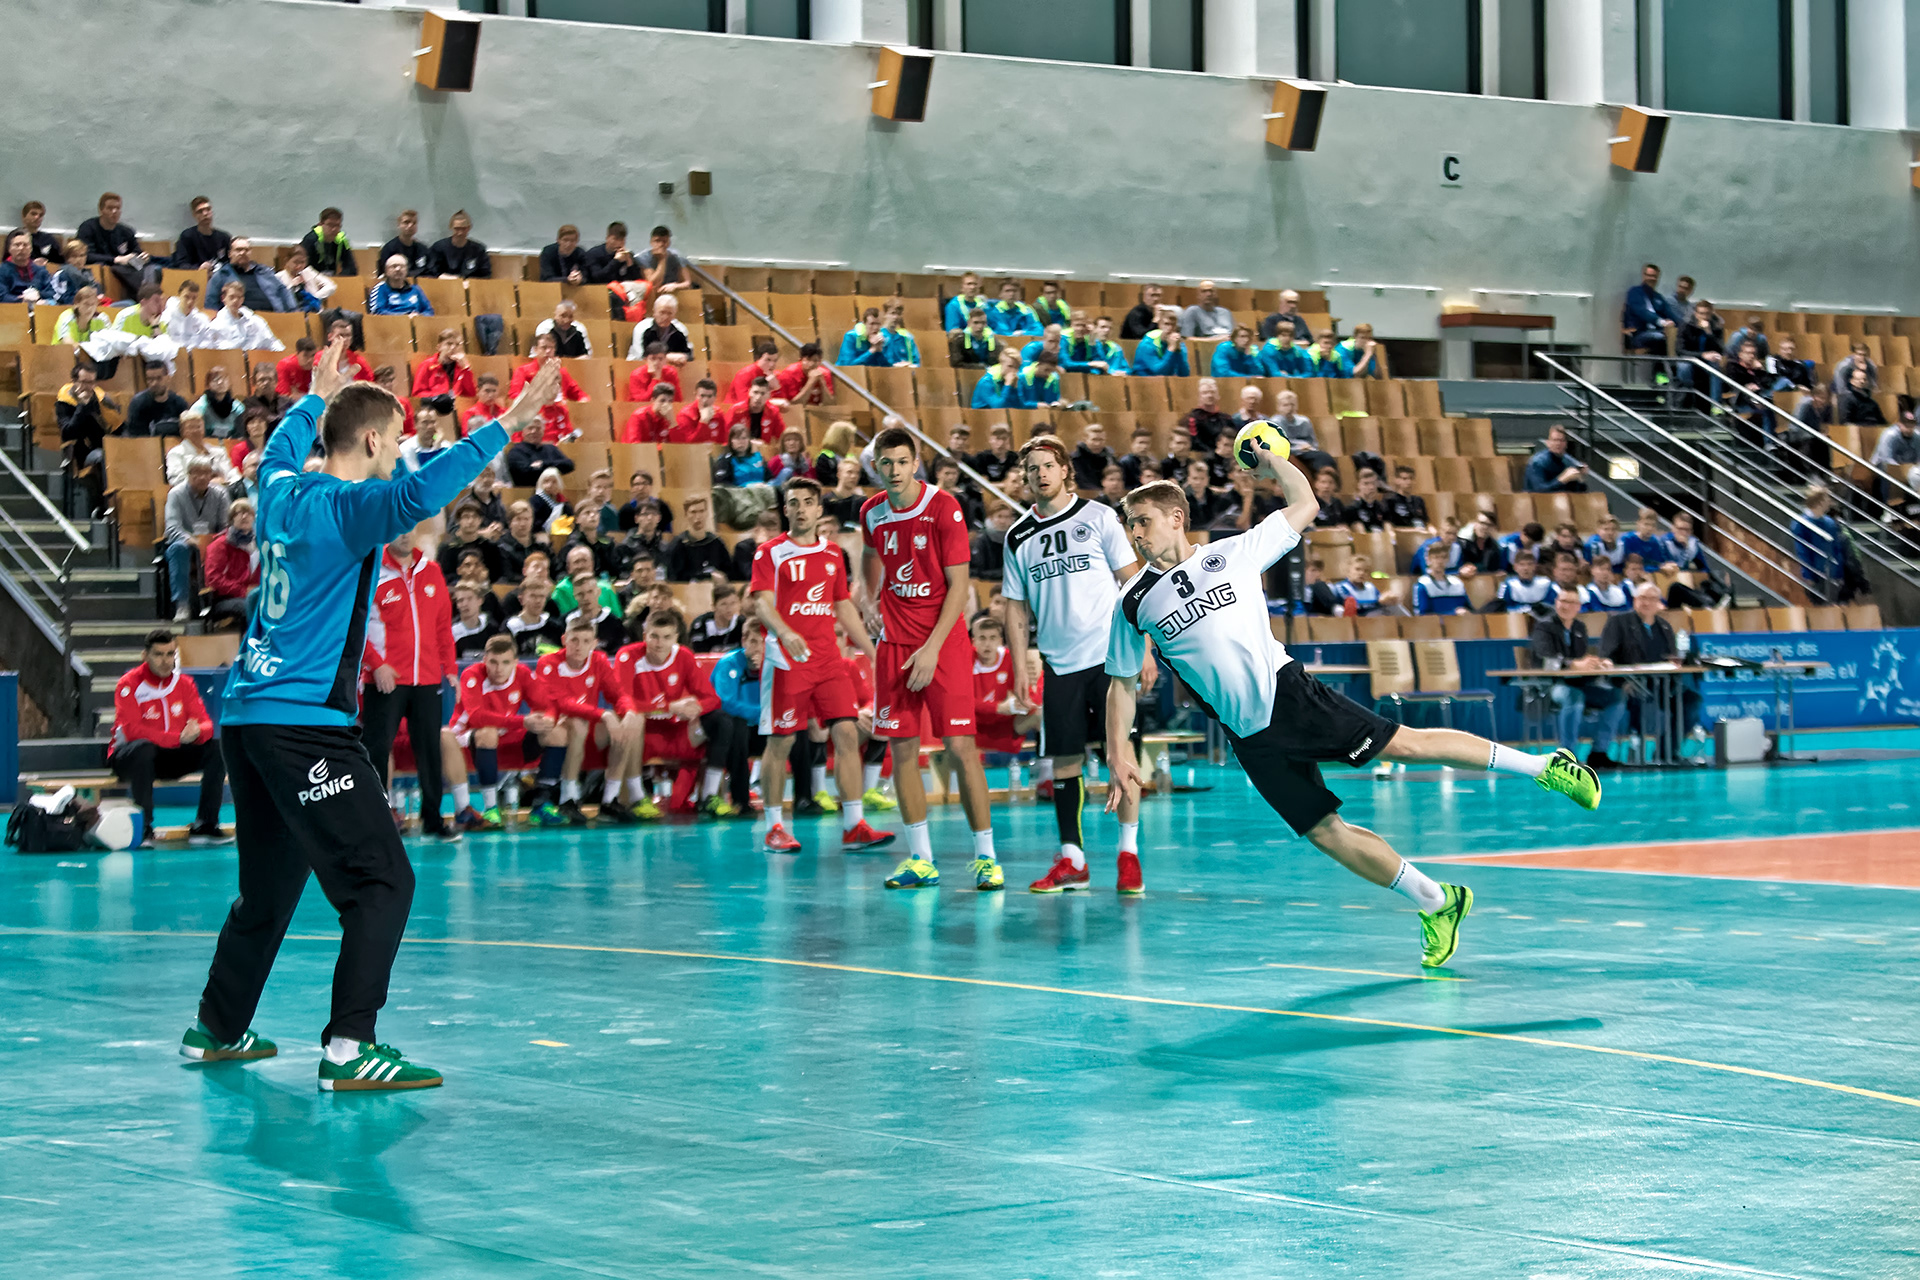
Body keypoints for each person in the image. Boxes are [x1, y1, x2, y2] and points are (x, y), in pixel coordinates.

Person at [182, 336, 558, 1087]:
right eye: (398, 439)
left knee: (270, 887)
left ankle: (216, 1029)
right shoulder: (351, 507)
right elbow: (422, 494)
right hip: (304, 727)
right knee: (384, 881)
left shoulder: (279, 489)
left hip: (247, 716)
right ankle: (350, 1047)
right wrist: (510, 421)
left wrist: (315, 396)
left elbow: (280, 447)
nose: (402, 453)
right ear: (375, 442)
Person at [1103, 455, 1601, 969]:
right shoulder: (1131, 602)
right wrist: (1118, 753)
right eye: (1130, 525)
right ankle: (1438, 901)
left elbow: (1305, 503)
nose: (1135, 534)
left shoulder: (1234, 553)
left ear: (1176, 518)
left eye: (1143, 521)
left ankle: (1547, 767)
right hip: (1247, 736)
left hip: (1290, 697)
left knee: (1407, 746)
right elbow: (1120, 683)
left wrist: (1272, 462)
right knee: (1325, 832)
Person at [858, 425, 1005, 890]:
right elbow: (869, 554)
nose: (895, 470)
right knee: (902, 750)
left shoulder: (943, 507)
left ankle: (987, 858)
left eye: (903, 462)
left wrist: (931, 649)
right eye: (887, 463)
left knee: (961, 749)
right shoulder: (871, 511)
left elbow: (960, 588)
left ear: (916, 463)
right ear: (876, 466)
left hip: (943, 645)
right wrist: (867, 595)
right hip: (894, 646)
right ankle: (921, 859)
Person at [999, 438, 1147, 892]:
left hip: (1110, 658)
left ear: (1065, 470)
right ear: (1025, 478)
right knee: (1064, 762)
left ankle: (1128, 855)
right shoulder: (1018, 536)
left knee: (1121, 755)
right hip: (1059, 665)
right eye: (1032, 468)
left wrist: (1146, 648)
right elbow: (1015, 607)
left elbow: (1133, 584)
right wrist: (1019, 667)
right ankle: (1073, 860)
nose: (1041, 474)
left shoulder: (1099, 517)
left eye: (1048, 465)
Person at [751, 478, 893, 850]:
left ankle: (854, 825)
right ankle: (774, 827)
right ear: (785, 510)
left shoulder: (832, 554)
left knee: (846, 732)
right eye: (793, 502)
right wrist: (784, 632)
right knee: (781, 741)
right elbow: (761, 603)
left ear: (819, 509)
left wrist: (873, 653)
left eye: (807, 502)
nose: (800, 508)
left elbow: (842, 606)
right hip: (787, 660)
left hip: (829, 661)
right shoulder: (769, 553)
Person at [359, 528, 459, 838]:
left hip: (427, 678)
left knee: (429, 751)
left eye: (410, 529)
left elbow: (443, 625)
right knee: (377, 749)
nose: (405, 535)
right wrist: (376, 665)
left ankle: (433, 819)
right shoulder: (371, 572)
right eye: (399, 530)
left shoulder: (431, 570)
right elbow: (356, 626)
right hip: (386, 678)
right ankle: (376, 820)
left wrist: (449, 668)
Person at [107, 629, 231, 848]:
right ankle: (144, 829)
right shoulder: (128, 684)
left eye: (170, 654)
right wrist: (177, 738)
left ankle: (206, 825)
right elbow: (133, 731)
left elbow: (206, 724)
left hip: (169, 756)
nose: (165, 661)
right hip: (129, 757)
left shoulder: (184, 684)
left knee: (217, 748)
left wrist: (197, 732)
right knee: (144, 748)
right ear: (145, 656)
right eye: (158, 654)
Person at [526, 616, 640, 825]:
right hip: (556, 732)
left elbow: (618, 694)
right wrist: (603, 714)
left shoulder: (599, 660)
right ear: (564, 640)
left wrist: (629, 711)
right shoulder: (548, 663)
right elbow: (561, 703)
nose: (579, 646)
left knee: (629, 723)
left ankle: (610, 800)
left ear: (594, 643)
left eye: (586, 641)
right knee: (578, 722)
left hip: (588, 732)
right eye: (574, 640)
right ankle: (568, 799)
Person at [445, 635, 564, 828]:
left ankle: (542, 803)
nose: (499, 669)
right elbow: (477, 717)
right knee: (488, 733)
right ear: (485, 660)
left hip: (506, 733)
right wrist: (523, 721)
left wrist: (548, 719)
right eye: (493, 662)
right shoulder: (472, 674)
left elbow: (546, 705)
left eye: (505, 662)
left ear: (515, 662)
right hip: (465, 736)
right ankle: (491, 808)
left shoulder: (522, 673)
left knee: (557, 733)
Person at [1531, 588, 1624, 766]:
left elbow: (1581, 659)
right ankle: (1567, 755)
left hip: (1579, 683)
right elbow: (1545, 659)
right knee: (1574, 696)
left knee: (1616, 697)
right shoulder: (1544, 627)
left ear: (1578, 607)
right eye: (1562, 601)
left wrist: (1596, 663)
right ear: (1556, 603)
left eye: (1571, 602)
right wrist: (1572, 664)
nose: (1565, 606)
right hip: (1551, 685)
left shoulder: (1579, 627)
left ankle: (1599, 752)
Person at [57, 362, 115, 515]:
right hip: (83, 454)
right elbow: (67, 433)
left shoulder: (99, 399)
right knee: (104, 457)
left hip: (108, 446)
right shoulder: (64, 403)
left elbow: (115, 426)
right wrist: (82, 407)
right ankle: (106, 506)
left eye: (91, 382)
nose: (88, 387)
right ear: (74, 382)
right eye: (84, 382)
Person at [77, 192, 157, 297]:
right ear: (101, 210)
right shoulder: (88, 228)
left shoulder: (126, 231)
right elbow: (86, 255)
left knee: (153, 268)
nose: (114, 211)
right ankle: (146, 295)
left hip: (125, 269)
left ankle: (146, 295)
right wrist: (116, 259)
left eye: (117, 208)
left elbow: (136, 251)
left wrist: (142, 257)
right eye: (110, 208)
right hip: (102, 268)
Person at [510, 331, 589, 436]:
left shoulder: (561, 373)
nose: (548, 351)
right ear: (535, 350)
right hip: (534, 418)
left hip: (560, 416)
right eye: (544, 347)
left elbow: (577, 393)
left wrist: (584, 402)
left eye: (551, 348)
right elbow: (515, 395)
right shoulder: (523, 371)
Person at [1621, 262, 1679, 361]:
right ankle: (1664, 369)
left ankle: (1673, 367)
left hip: (1657, 332)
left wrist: (1681, 325)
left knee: (1679, 339)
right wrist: (1661, 322)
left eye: (1654, 276)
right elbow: (1642, 312)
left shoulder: (1658, 297)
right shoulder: (1634, 292)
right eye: (1649, 275)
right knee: (1661, 339)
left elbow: (1671, 315)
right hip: (1638, 334)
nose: (1652, 278)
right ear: (1643, 276)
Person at [665, 493, 731, 581]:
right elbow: (674, 577)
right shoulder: (678, 544)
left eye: (701, 511)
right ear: (686, 514)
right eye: (693, 512)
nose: (698, 516)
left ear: (707, 513)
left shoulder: (717, 542)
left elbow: (729, 573)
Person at [166, 411, 239, 486]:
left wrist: (230, 482)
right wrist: (209, 483)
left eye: (198, 426)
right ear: (182, 431)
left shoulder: (218, 451)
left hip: (224, 488)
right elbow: (177, 480)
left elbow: (231, 474)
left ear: (204, 428)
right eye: (191, 427)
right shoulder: (176, 453)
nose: (195, 430)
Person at [126, 359, 191, 437]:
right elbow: (136, 438)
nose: (154, 383)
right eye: (150, 379)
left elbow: (186, 432)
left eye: (159, 378)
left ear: (168, 378)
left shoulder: (179, 403)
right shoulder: (137, 403)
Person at [412, 328, 479, 401]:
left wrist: (465, 368)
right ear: (439, 347)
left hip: (455, 404)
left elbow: (471, 394)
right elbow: (417, 394)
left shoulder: (462, 366)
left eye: (457, 344)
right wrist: (439, 397)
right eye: (449, 344)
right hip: (434, 404)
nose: (453, 347)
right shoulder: (427, 365)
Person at [627, 293, 693, 362]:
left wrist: (684, 357)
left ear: (674, 315)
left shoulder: (680, 330)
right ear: (654, 312)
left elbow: (689, 355)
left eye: (669, 313)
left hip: (670, 367)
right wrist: (667, 357)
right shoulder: (642, 328)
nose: (665, 317)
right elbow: (641, 356)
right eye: (662, 312)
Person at [1524, 425, 1588, 493]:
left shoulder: (1568, 460)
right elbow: (1539, 490)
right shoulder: (1538, 462)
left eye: (1561, 440)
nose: (1558, 444)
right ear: (1548, 443)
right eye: (1555, 440)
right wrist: (1562, 480)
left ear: (1566, 444)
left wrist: (1581, 478)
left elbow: (1578, 491)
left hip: (1561, 498)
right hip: (1534, 498)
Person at [1412, 543, 1470, 615]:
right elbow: (1421, 615)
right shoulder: (1423, 584)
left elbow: (1469, 609)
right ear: (1428, 560)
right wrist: (1453, 614)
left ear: (1448, 560)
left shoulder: (1457, 583)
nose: (1440, 561)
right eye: (1436, 557)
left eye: (1443, 557)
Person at [429, 210, 491, 278]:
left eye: (463, 229)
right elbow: (432, 271)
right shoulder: (439, 248)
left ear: (469, 228)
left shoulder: (478, 250)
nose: (460, 233)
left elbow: (485, 275)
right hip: (444, 282)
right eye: (457, 229)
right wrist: (452, 279)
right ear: (450, 227)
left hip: (470, 283)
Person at [368, 255, 433, 316]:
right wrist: (404, 317)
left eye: (402, 266)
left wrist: (418, 316)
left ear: (407, 270)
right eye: (394, 266)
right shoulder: (380, 289)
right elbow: (377, 312)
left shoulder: (416, 289)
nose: (398, 269)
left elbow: (429, 311)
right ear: (386, 271)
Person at [299, 208, 357, 277]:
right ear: (320, 224)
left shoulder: (341, 241)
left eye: (337, 225)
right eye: (330, 225)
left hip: (332, 279)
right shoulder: (311, 240)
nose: (334, 229)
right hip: (312, 278)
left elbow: (351, 268)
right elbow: (302, 266)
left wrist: (339, 279)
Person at [1131, 309, 1190, 376]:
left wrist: (1178, 351)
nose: (1170, 328)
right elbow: (1159, 371)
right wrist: (1171, 349)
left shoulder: (1178, 342)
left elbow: (1184, 374)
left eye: (1173, 325)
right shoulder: (1148, 343)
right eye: (1166, 324)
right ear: (1159, 325)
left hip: (1166, 379)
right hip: (1143, 379)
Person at [636, 225, 691, 294]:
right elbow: (653, 284)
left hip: (672, 293)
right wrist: (662, 259)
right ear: (651, 242)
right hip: (652, 295)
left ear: (669, 243)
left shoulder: (676, 256)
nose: (661, 244)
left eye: (664, 241)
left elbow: (687, 283)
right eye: (657, 241)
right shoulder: (643, 258)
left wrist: (675, 286)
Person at [0, 230, 52, 303]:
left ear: (31, 248)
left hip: (38, 306)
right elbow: (2, 296)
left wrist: (39, 295)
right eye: (17, 245)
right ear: (9, 249)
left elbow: (51, 293)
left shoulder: (41, 270)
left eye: (25, 245)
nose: (21, 248)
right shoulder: (2, 271)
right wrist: (21, 300)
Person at [380, 209, 433, 277]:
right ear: (399, 225)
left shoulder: (423, 249)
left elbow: (429, 271)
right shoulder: (389, 249)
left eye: (414, 223)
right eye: (406, 222)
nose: (410, 225)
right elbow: (385, 273)